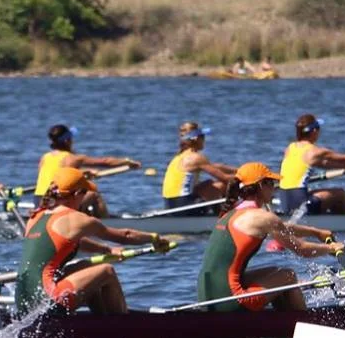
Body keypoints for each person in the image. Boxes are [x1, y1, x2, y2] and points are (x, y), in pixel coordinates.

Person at [15, 167, 174, 314]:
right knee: (107, 271)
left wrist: (107, 250)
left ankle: (100, 321)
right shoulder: (76, 218)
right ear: (77, 194)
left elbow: (71, 243)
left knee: (84, 268)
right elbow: (124, 235)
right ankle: (122, 325)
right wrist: (154, 238)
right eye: (85, 192)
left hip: (23, 302)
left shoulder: (35, 217)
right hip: (48, 300)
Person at [197, 162, 345, 312]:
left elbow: (282, 228)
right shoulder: (262, 217)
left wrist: (316, 232)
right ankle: (302, 319)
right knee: (288, 276)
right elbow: (302, 249)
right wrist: (331, 248)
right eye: (272, 183)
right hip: (230, 300)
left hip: (207, 296)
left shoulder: (231, 213)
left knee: (274, 272)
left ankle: (280, 318)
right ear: (261, 185)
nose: (274, 188)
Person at [276, 114, 345, 216]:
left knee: (323, 194)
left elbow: (324, 164)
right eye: (318, 128)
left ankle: (337, 218)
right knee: (340, 194)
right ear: (314, 131)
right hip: (302, 205)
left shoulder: (290, 148)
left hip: (286, 203)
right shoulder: (315, 151)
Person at [33, 123, 137, 213]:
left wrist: (82, 173)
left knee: (80, 191)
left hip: (39, 200)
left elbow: (55, 175)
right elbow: (105, 162)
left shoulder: (45, 157)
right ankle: (103, 225)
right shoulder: (73, 158)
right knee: (94, 195)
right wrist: (127, 161)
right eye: (71, 138)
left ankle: (83, 215)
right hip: (57, 201)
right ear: (67, 141)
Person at [161, 122, 235, 206]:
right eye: (202, 137)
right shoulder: (196, 158)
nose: (204, 140)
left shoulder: (179, 157)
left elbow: (214, 166)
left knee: (208, 183)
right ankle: (225, 211)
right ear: (196, 138)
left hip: (170, 204)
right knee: (222, 185)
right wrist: (245, 176)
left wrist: (238, 170)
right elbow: (225, 178)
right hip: (184, 205)